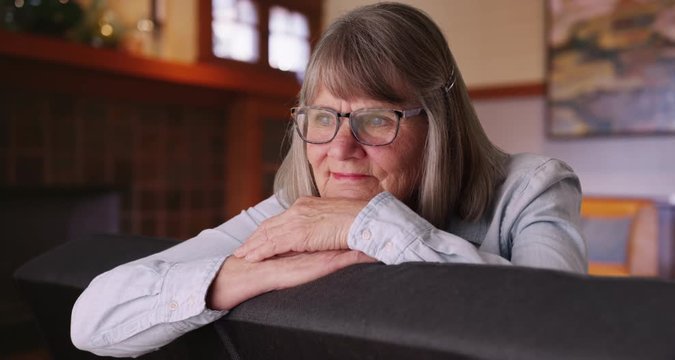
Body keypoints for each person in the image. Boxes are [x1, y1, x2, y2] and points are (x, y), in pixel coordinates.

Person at [71, 2, 587, 357]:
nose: (340, 149)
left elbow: (561, 335)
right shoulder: (293, 212)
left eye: (378, 119)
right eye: (322, 117)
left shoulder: (530, 188)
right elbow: (91, 320)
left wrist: (370, 223)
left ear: (439, 124)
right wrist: (236, 278)